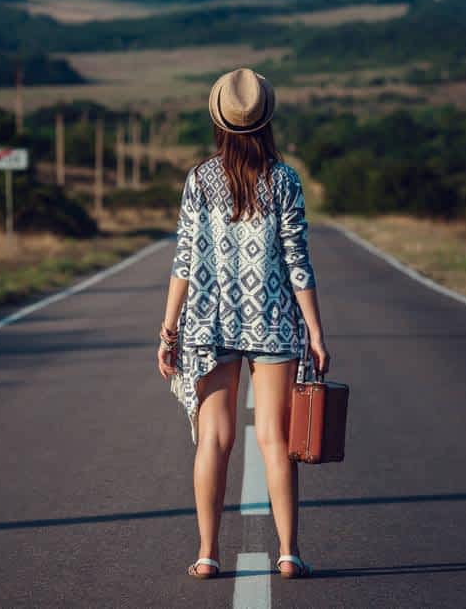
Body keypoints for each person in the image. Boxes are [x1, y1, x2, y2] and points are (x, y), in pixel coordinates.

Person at [156, 67, 330, 580]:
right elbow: (298, 261)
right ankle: (288, 553)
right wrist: (316, 332)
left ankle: (207, 554)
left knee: (213, 439)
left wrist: (169, 330)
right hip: (273, 321)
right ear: (265, 120)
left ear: (220, 123)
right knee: (276, 439)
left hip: (208, 324)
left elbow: (184, 260)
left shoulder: (199, 180)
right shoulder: (285, 180)